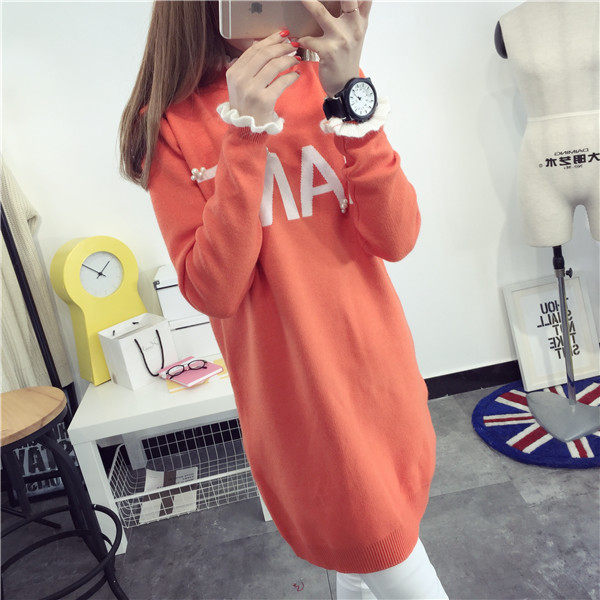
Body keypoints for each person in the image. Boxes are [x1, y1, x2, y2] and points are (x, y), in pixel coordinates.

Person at [118, 1, 448, 598]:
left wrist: (351, 97)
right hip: (299, 407)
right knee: (385, 553)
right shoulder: (169, 123)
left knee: (362, 565)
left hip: (381, 377)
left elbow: (396, 238)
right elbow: (213, 289)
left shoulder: (325, 78)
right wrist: (244, 135)